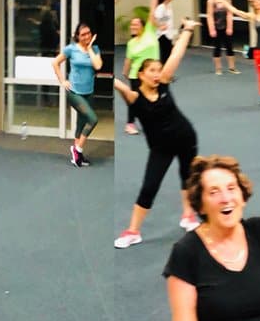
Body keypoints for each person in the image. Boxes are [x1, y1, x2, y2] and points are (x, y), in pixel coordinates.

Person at [157, 154, 260, 321]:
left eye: (231, 188)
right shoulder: (187, 252)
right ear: (200, 205)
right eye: (214, 192)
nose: (225, 198)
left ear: (243, 197)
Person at [114, 19, 201, 249]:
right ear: (140, 74)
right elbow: (115, 83)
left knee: (187, 175)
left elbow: (177, 55)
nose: (157, 74)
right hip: (160, 148)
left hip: (185, 137)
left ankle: (188, 215)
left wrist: (187, 30)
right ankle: (133, 231)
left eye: (158, 70)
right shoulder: (134, 97)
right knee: (150, 186)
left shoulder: (163, 84)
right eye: (151, 71)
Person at [52, 22, 103, 167]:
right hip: (74, 92)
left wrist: (90, 48)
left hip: (89, 92)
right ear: (77, 36)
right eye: (83, 34)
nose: (86, 36)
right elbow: (55, 63)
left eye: (88, 33)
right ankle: (77, 150)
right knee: (92, 119)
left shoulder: (95, 49)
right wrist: (63, 80)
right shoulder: (71, 49)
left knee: (81, 122)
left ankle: (77, 157)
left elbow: (98, 66)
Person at [123, 0, 161, 135]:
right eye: (132, 25)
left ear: (143, 27)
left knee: (155, 99)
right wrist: (125, 74)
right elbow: (128, 60)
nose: (133, 27)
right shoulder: (131, 43)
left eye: (136, 24)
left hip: (154, 74)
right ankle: (130, 124)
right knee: (136, 100)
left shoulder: (150, 33)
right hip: (137, 75)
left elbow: (152, 11)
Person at [220, 0, 260, 106]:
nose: (258, 2)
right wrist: (225, 2)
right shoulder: (252, 16)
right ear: (253, 4)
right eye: (256, 1)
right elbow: (236, 11)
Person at [206, 0, 240, 76]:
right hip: (216, 27)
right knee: (217, 48)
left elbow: (230, 14)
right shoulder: (210, 1)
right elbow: (209, 16)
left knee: (229, 47)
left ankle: (232, 67)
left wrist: (230, 27)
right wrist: (211, 29)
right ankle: (218, 69)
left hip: (226, 27)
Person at [154, 0, 175, 64]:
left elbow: (165, 19)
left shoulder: (168, 6)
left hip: (169, 34)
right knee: (165, 55)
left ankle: (165, 72)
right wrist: (160, 26)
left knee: (168, 54)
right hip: (163, 35)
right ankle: (162, 73)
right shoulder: (161, 7)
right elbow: (155, 18)